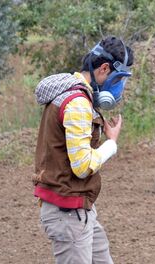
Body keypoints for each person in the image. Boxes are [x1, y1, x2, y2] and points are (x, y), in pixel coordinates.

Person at [32, 36, 134, 263]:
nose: (118, 88)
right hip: (68, 212)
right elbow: (82, 166)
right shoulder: (77, 102)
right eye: (117, 79)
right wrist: (111, 144)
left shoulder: (72, 94)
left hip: (79, 209)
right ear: (104, 69)